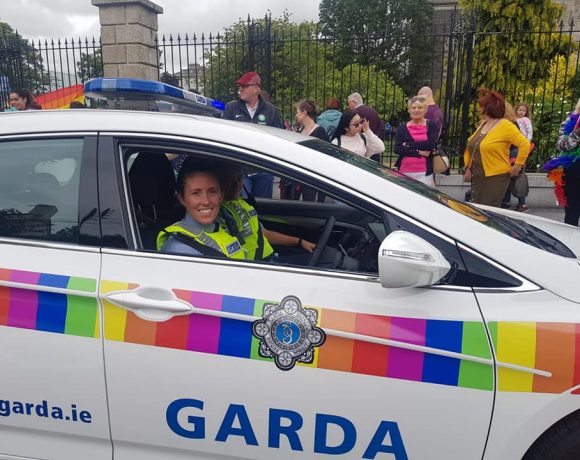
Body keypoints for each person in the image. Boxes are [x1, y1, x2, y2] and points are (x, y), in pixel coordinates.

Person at [220, 164, 316, 262]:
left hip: (269, 258)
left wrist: (299, 242)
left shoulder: (241, 203)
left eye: (239, 179)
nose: (236, 185)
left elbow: (263, 234)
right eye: (229, 180)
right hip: (257, 267)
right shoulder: (220, 214)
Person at [156, 158, 245, 259]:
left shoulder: (223, 228)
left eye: (212, 191)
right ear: (182, 199)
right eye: (196, 193)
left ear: (221, 195)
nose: (206, 201)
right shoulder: (181, 248)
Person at [463, 89, 531, 207]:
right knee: (477, 210)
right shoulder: (484, 124)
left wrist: (516, 167)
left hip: (495, 177)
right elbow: (473, 145)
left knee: (487, 211)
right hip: (478, 176)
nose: (479, 109)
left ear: (489, 107)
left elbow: (525, 144)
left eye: (482, 106)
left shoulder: (506, 125)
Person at [222, 71, 284, 199]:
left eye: (244, 86)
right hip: (240, 171)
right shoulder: (231, 108)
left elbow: (279, 138)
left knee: (264, 210)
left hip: (263, 170)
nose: (240, 89)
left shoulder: (270, 110)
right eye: (240, 87)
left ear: (256, 88)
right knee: (243, 207)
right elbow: (223, 137)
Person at [545, 99, 580, 226]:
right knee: (572, 212)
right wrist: (576, 134)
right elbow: (561, 146)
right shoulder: (571, 120)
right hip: (573, 171)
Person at [393, 96, 439, 186]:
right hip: (405, 171)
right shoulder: (402, 128)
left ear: (425, 110)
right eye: (413, 107)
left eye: (420, 107)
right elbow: (397, 149)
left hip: (425, 172)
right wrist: (419, 152)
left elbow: (430, 145)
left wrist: (408, 144)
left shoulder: (431, 125)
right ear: (409, 110)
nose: (416, 110)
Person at [292, 99, 330, 201]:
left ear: (304, 113)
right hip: (300, 175)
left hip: (313, 177)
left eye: (298, 112)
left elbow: (327, 154)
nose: (296, 115)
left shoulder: (319, 131)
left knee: (310, 205)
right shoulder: (301, 130)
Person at [501, 102, 533, 212]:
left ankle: (521, 203)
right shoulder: (513, 121)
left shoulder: (518, 122)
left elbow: (528, 134)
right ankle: (510, 202)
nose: (521, 112)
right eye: (519, 110)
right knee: (513, 176)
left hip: (517, 150)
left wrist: (527, 143)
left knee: (514, 176)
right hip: (517, 149)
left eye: (523, 110)